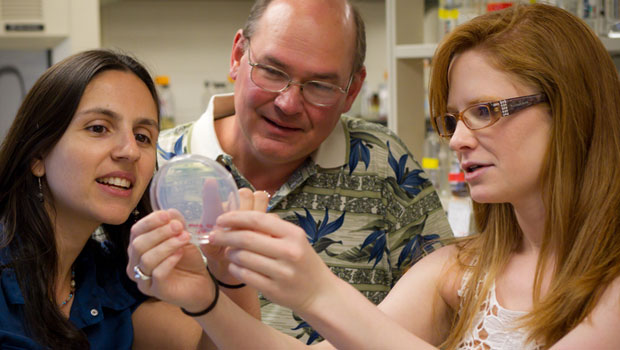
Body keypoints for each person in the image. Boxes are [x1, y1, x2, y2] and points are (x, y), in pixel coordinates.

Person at [128, 3, 620, 349]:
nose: (457, 141)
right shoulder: (463, 268)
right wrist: (207, 300)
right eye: (452, 120)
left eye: (486, 110)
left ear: (572, 108)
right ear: (238, 56)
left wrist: (318, 291)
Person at [155, 0, 452, 341]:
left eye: (320, 87)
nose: (288, 103)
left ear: (353, 90)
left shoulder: (384, 163)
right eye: (272, 71)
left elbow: (446, 307)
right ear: (238, 56)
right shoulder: (155, 166)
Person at [0, 49, 262, 349]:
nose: (130, 151)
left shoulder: (116, 278)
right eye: (98, 128)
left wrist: (229, 273)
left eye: (143, 136)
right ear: (37, 155)